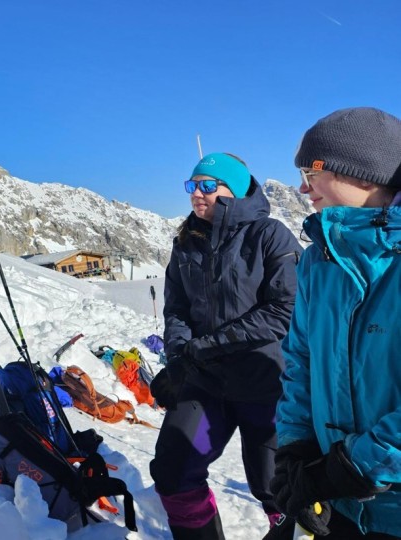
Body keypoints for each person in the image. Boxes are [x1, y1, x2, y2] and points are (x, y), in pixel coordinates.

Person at [148, 153, 302, 539]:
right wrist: (181, 354)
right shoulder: (187, 241)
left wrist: (209, 345)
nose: (196, 194)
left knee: (275, 484)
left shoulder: (269, 235)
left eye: (207, 186)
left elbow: (285, 310)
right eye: (191, 186)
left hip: (265, 385)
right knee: (175, 467)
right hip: (207, 387)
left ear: (233, 189)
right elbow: (177, 308)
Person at [265, 107, 401, 540]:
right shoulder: (317, 261)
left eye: (311, 171)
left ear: (363, 174)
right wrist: (296, 446)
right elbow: (301, 359)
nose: (302, 187)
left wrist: (354, 466)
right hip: (341, 504)